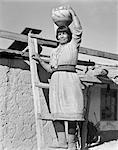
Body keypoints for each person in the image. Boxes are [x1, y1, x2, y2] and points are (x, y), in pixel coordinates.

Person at [32, 6, 84, 150]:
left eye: (64, 34)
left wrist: (73, 13)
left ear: (68, 35)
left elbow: (79, 29)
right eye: (59, 34)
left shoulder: (73, 45)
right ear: (57, 36)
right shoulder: (54, 52)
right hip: (56, 81)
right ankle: (62, 142)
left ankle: (72, 143)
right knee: (57, 112)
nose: (62, 36)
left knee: (72, 112)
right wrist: (40, 60)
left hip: (71, 79)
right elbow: (50, 69)